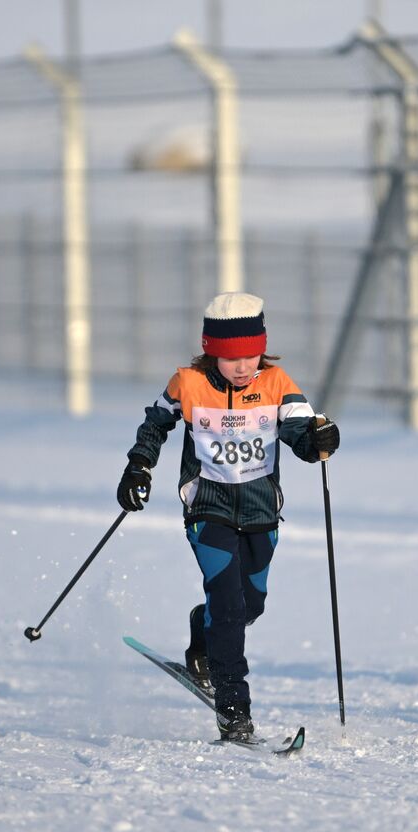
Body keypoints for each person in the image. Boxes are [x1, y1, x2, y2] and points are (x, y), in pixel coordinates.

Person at [116, 292, 340, 741]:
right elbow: (156, 423)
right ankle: (233, 710)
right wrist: (139, 464)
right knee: (230, 605)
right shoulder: (188, 383)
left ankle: (202, 640)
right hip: (208, 510)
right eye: (230, 357)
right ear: (210, 349)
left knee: (249, 605)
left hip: (260, 512)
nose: (242, 366)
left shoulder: (277, 382)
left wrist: (318, 441)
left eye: (250, 354)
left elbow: (300, 430)